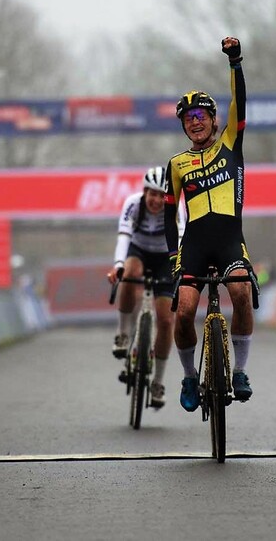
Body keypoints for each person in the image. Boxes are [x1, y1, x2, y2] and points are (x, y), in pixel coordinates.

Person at [162, 36, 257, 411]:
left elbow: (241, 103)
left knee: (241, 293)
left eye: (201, 117)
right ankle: (188, 376)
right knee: (184, 311)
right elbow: (170, 215)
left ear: (215, 120)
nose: (195, 123)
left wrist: (235, 62)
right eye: (189, 120)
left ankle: (241, 371)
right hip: (195, 247)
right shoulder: (177, 164)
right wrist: (174, 256)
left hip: (231, 240)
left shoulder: (231, 142)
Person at [105, 166, 177, 409]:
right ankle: (124, 333)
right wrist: (117, 266)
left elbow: (184, 238)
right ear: (145, 192)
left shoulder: (177, 207)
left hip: (166, 256)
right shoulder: (133, 204)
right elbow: (124, 237)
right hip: (139, 251)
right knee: (130, 272)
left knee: (166, 320)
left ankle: (158, 382)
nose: (157, 200)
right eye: (152, 194)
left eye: (161, 195)